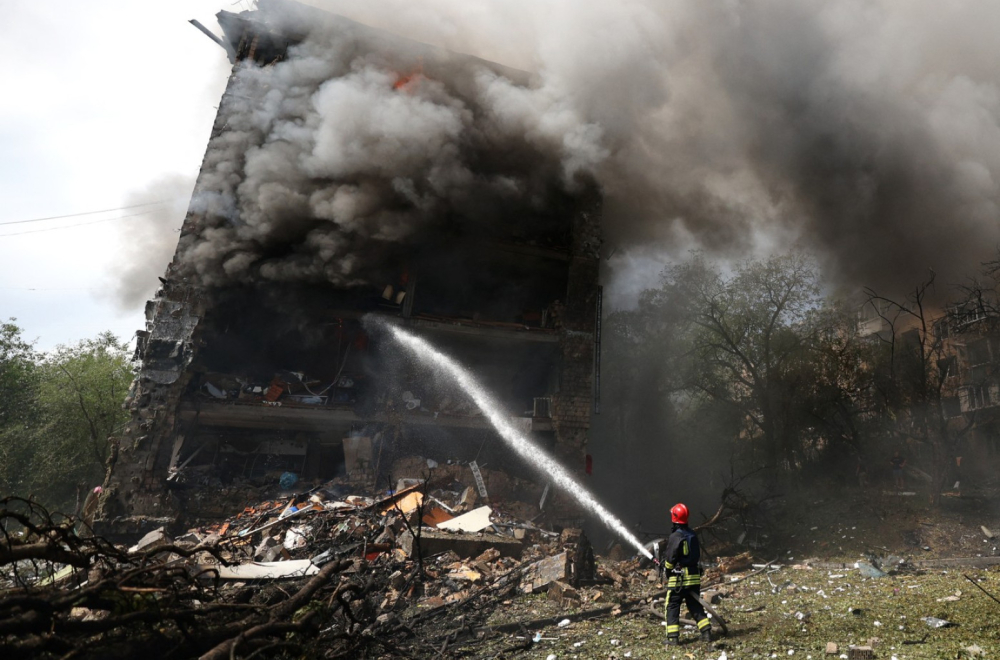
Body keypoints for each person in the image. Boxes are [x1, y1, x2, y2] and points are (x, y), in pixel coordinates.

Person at [660, 502, 712, 646]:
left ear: (674, 517)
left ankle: (672, 638)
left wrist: (668, 569)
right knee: (694, 605)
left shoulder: (675, 536)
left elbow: (670, 558)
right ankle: (706, 632)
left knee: (672, 605)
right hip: (694, 576)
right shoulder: (693, 534)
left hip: (680, 578)